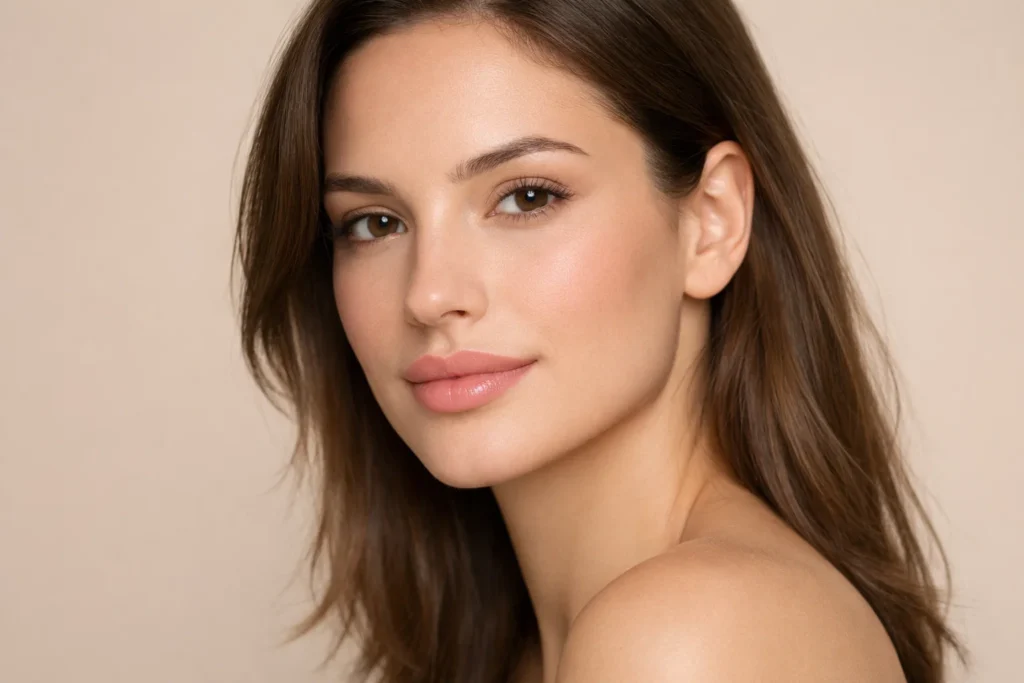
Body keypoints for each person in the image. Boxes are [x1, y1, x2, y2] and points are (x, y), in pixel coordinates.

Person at [233, 1, 967, 681]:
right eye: (375, 223)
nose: (428, 294)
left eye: (526, 197)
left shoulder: (689, 637)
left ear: (710, 222)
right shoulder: (534, 644)